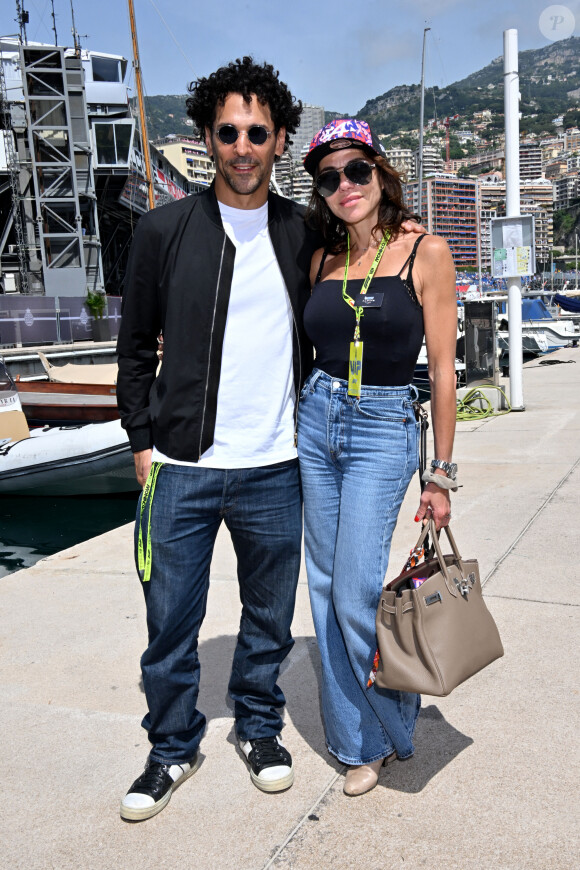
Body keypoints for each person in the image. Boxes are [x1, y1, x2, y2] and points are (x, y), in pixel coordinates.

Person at [115, 57, 318, 821]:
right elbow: (134, 348)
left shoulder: (304, 233)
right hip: (181, 466)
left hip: (276, 466)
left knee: (269, 618)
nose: (241, 145)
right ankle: (171, 747)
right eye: (227, 131)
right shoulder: (163, 230)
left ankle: (259, 727)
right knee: (169, 621)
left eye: (256, 132)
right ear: (206, 136)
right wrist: (142, 441)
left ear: (280, 139)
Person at [297, 119, 457, 797]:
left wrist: (441, 473)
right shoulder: (321, 260)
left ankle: (396, 718)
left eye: (355, 171)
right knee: (326, 591)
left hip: (384, 426)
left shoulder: (426, 251)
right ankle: (359, 743)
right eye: (328, 177)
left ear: (380, 174)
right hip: (317, 418)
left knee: (360, 594)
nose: (344, 186)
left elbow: (446, 371)